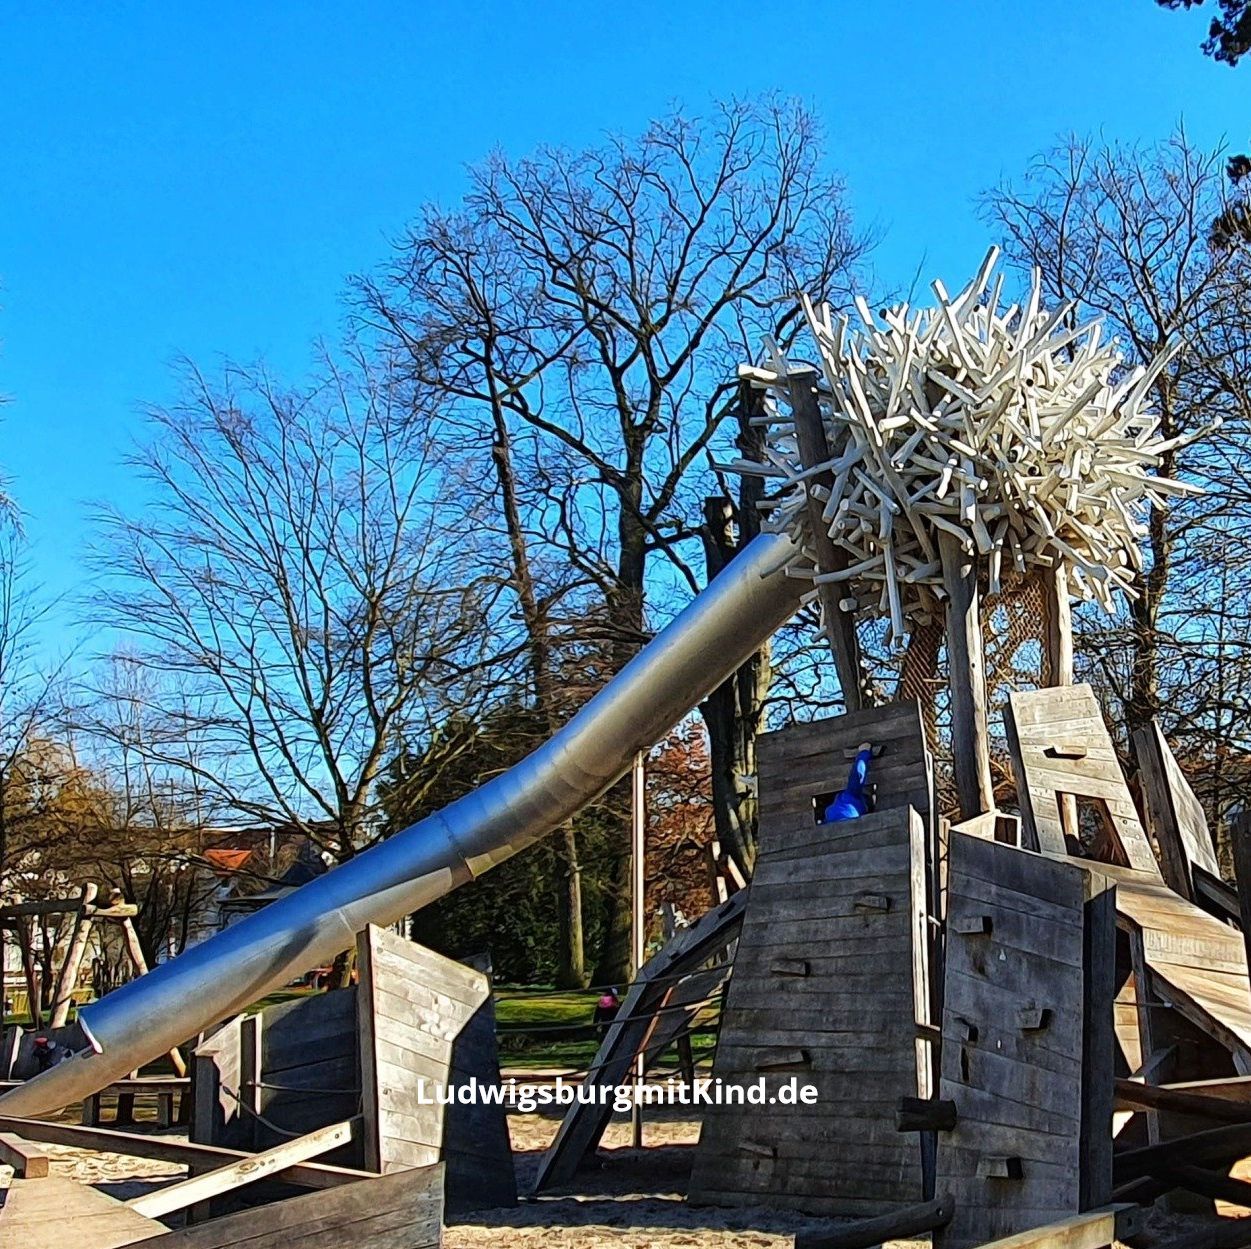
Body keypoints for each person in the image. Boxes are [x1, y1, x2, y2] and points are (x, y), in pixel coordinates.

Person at [823, 741, 874, 823]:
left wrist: (864, 752)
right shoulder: (850, 799)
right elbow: (857, 775)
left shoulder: (850, 798)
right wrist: (864, 753)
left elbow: (858, 775)